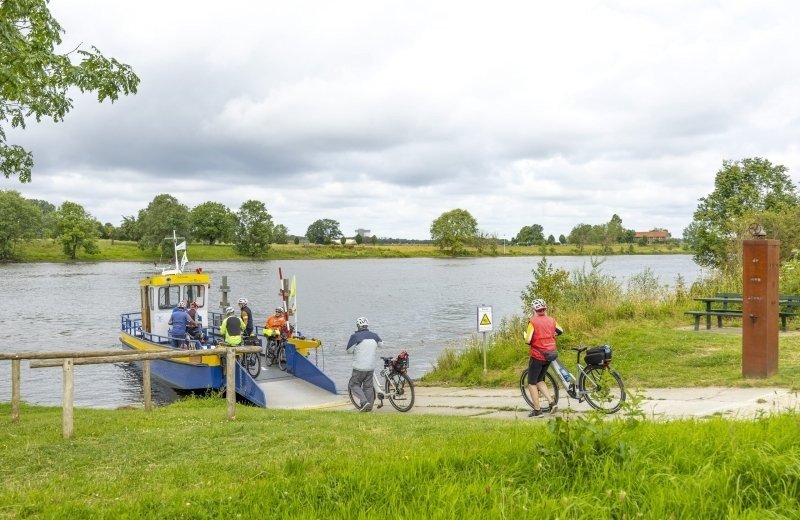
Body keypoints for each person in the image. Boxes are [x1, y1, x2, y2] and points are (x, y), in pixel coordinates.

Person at [523, 298, 562, 418]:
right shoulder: (551, 320)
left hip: (538, 355)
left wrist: (524, 336)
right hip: (550, 354)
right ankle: (552, 403)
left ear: (534, 309)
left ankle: (537, 410)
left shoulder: (533, 322)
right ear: (545, 308)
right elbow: (560, 331)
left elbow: (528, 340)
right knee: (540, 380)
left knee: (531, 383)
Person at [346, 316, 383, 412]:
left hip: (359, 367)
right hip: (370, 367)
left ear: (358, 326)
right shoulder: (374, 336)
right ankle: (369, 407)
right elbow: (381, 345)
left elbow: (349, 351)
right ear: (367, 325)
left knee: (353, 384)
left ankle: (363, 401)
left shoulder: (355, 337)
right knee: (368, 387)